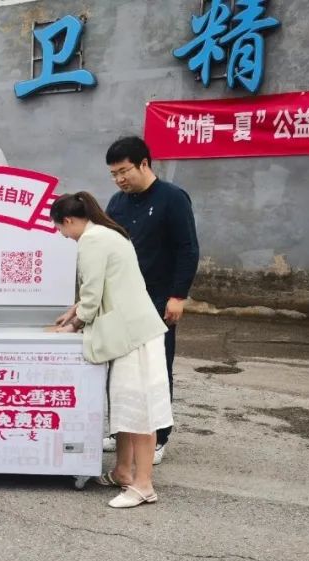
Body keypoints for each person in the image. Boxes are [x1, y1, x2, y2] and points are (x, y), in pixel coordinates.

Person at [52, 192, 171, 508]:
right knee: (125, 407)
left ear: (68, 220)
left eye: (60, 229)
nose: (63, 235)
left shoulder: (91, 240)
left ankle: (143, 485)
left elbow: (92, 295)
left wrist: (73, 325)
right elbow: (106, 284)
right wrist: (75, 309)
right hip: (133, 332)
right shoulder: (108, 233)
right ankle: (122, 471)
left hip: (133, 336)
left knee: (139, 411)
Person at [102, 136, 199, 465]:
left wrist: (178, 296)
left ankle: (158, 437)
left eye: (124, 171)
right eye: (114, 174)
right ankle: (121, 433)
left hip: (159, 298)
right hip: (122, 300)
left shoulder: (172, 198)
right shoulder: (117, 203)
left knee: (155, 369)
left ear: (144, 163)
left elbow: (188, 249)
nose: (119, 179)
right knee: (120, 367)